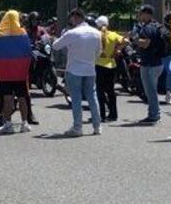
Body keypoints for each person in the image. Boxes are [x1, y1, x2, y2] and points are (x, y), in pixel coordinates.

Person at [52, 8, 102, 136]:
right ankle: (97, 126)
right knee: (92, 97)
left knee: (76, 99)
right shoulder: (96, 33)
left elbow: (56, 46)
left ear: (75, 17)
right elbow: (98, 51)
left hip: (74, 69)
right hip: (90, 69)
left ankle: (77, 127)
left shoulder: (72, 33)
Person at [0, 10, 32, 134]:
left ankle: (8, 124)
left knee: (7, 98)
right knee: (22, 98)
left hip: (5, 73)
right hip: (20, 72)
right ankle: (25, 123)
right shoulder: (23, 33)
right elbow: (28, 53)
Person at [130, 4, 166, 124]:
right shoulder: (156, 25)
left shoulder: (148, 28)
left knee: (150, 91)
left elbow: (145, 43)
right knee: (151, 91)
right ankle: (154, 113)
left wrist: (133, 39)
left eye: (141, 13)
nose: (139, 15)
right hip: (155, 62)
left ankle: (154, 115)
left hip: (150, 64)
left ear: (147, 14)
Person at [94, 15, 122, 122]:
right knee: (111, 90)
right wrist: (116, 50)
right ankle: (113, 114)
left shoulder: (96, 34)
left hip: (99, 64)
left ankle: (102, 115)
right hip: (111, 64)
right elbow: (126, 41)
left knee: (100, 91)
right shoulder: (113, 34)